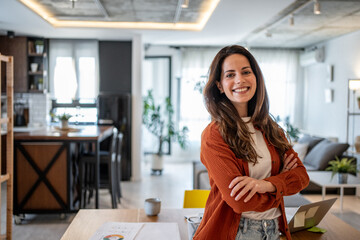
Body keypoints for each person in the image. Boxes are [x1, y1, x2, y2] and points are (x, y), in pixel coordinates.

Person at [193, 45, 309, 240]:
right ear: (220, 86)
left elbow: (302, 177)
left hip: (274, 230)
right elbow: (239, 202)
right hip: (238, 232)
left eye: (246, 72)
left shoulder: (271, 128)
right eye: (230, 75)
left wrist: (264, 185)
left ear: (256, 77)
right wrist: (281, 185)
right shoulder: (214, 135)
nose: (240, 79)